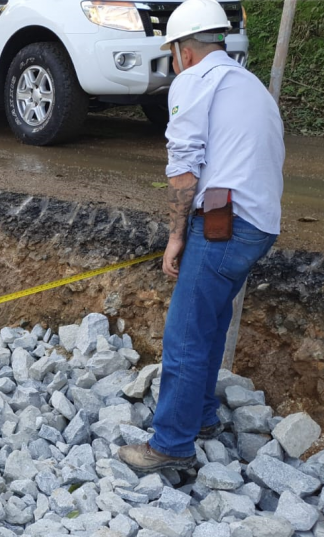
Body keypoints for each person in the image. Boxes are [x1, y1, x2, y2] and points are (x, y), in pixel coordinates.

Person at [118, 0, 285, 473]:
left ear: (184, 52)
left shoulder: (193, 81)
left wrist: (176, 237)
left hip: (223, 226)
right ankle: (203, 417)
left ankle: (170, 445)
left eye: (173, 51)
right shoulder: (246, 83)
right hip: (258, 226)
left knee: (186, 334)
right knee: (209, 323)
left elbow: (184, 169)